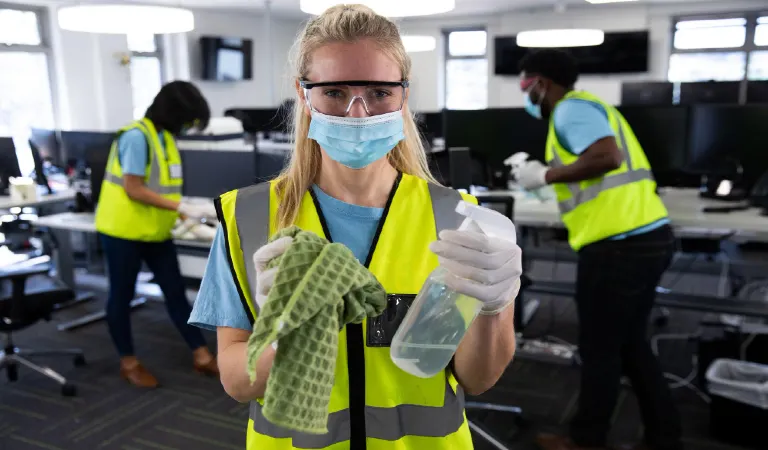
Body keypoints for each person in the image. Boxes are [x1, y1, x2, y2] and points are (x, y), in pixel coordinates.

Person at [189, 5, 523, 449]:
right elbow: (238, 383)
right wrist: (285, 331)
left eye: (380, 92)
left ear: (403, 95)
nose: (358, 113)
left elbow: (478, 379)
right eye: (335, 91)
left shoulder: (458, 217)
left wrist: (494, 307)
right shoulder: (249, 217)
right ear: (303, 94)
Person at [512, 50, 682, 450]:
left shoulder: (570, 111)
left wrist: (546, 174)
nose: (525, 93)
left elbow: (607, 157)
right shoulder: (591, 106)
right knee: (629, 343)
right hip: (644, 237)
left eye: (525, 85)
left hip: (618, 248)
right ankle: (665, 434)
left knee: (600, 348)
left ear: (542, 83)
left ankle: (586, 440)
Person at [94, 81, 220, 388]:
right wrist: (182, 206)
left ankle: (202, 355)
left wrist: (186, 210)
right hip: (124, 232)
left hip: (156, 232)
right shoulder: (137, 137)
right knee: (121, 297)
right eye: (188, 121)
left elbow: (161, 186)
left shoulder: (164, 138)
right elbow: (133, 188)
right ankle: (129, 362)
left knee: (176, 293)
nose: (188, 128)